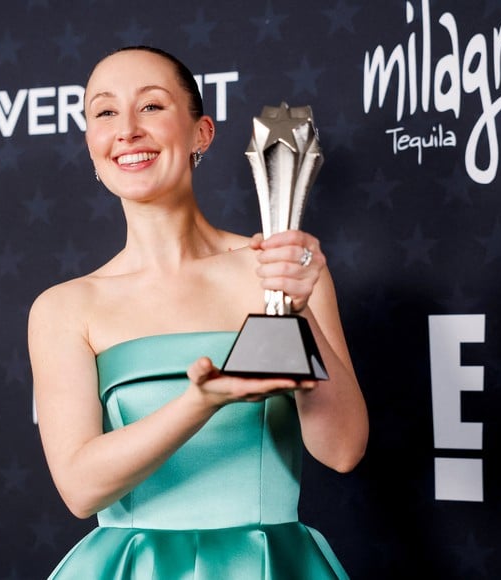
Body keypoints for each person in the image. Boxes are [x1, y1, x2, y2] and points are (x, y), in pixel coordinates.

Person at [28, 45, 369, 579]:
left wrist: (296, 315)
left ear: (201, 133)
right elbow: (80, 489)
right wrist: (201, 400)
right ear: (92, 144)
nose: (127, 130)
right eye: (105, 112)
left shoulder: (279, 269)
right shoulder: (66, 307)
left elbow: (343, 450)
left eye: (152, 107)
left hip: (268, 567)